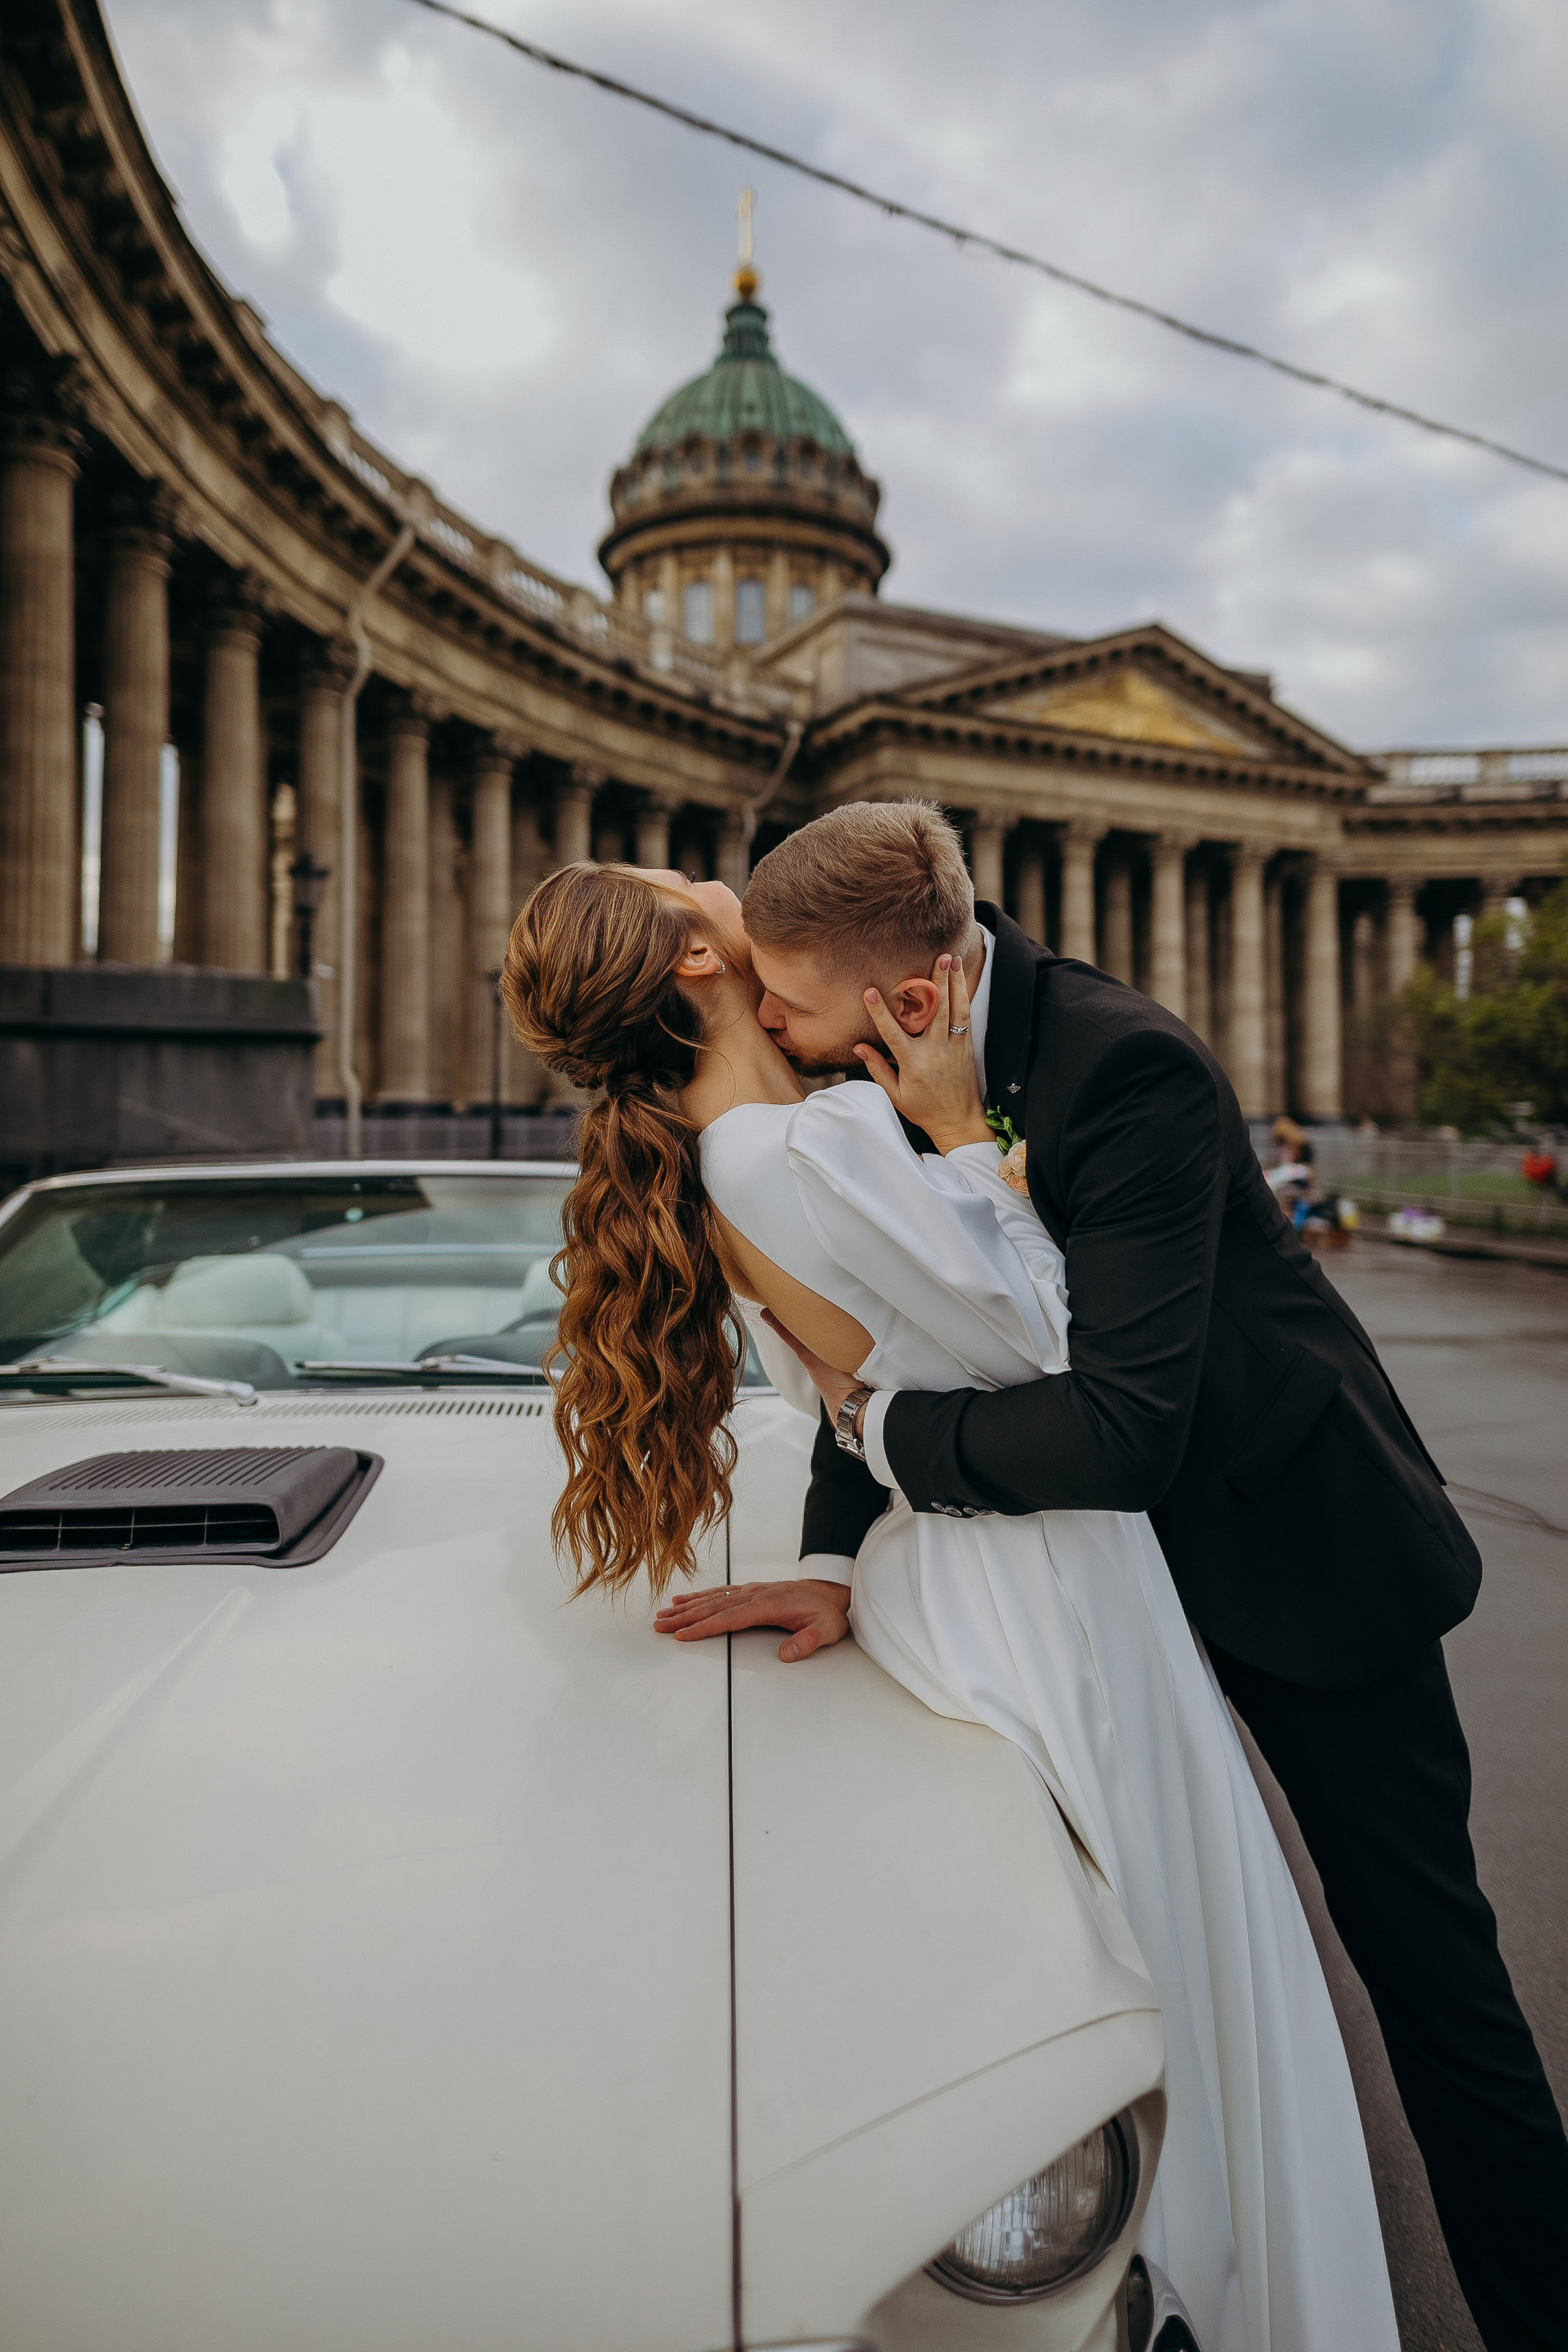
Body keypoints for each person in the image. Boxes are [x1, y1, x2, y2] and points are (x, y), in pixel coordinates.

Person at [662, 801, 1568, 2352]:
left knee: (1430, 1982)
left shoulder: (1122, 1063)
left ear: (907, 997)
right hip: (1087, 1586)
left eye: (785, 1000)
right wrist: (828, 1556)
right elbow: (899, 1314)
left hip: (1292, 1558)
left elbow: (1120, 1429)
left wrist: (883, 1440)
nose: (765, 1021)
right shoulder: (870, 1067)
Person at [503, 847, 1400, 2352]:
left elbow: (911, 1358)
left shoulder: (746, 1149)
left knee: (1121, 1951)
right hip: (1045, 1580)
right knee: (1169, 1964)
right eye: (685, 883)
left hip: (968, 1565)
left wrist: (853, 1494)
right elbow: (1060, 1343)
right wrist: (959, 1135)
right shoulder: (812, 1141)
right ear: (692, 964)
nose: (716, 881)